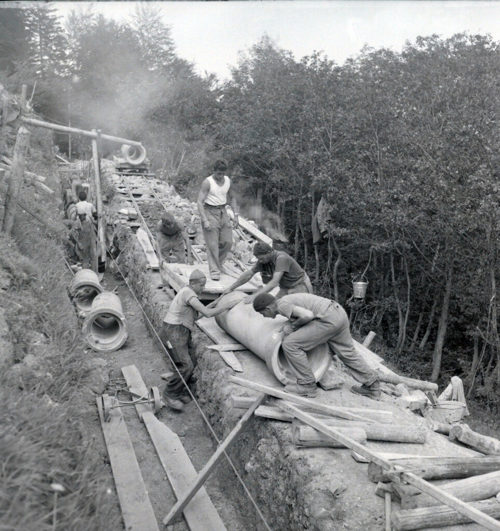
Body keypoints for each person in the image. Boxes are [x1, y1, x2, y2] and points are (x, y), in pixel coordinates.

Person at [252, 292, 381, 399]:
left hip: (326, 318)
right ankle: (373, 387)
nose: (264, 316)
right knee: (347, 352)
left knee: (291, 344)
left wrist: (292, 326)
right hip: (338, 313)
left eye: (262, 313)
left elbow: (307, 315)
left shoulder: (281, 305)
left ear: (267, 308)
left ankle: (306, 385)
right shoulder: (286, 299)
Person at [160, 270, 239, 411]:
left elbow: (199, 315)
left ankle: (181, 391)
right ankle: (170, 394)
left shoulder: (189, 294)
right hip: (173, 331)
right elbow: (207, 313)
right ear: (193, 283)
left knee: (192, 360)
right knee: (186, 366)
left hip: (181, 331)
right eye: (201, 285)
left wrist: (217, 301)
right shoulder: (188, 293)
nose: (203, 288)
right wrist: (228, 305)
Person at [223, 242, 313, 302]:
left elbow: (274, 283)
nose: (260, 261)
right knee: (274, 307)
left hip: (300, 285)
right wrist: (231, 288)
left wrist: (255, 296)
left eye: (261, 258)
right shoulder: (263, 260)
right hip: (285, 287)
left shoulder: (281, 258)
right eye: (259, 259)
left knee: (299, 310)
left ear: (269, 252)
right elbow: (249, 274)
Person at [197, 160, 239, 281]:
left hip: (223, 211)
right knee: (212, 243)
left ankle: (218, 263)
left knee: (228, 242)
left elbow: (233, 198)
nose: (220, 176)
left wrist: (236, 215)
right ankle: (214, 270)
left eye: (222, 173)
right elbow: (199, 202)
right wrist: (205, 220)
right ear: (214, 171)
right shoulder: (207, 182)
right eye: (218, 173)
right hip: (209, 211)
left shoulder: (228, 181)